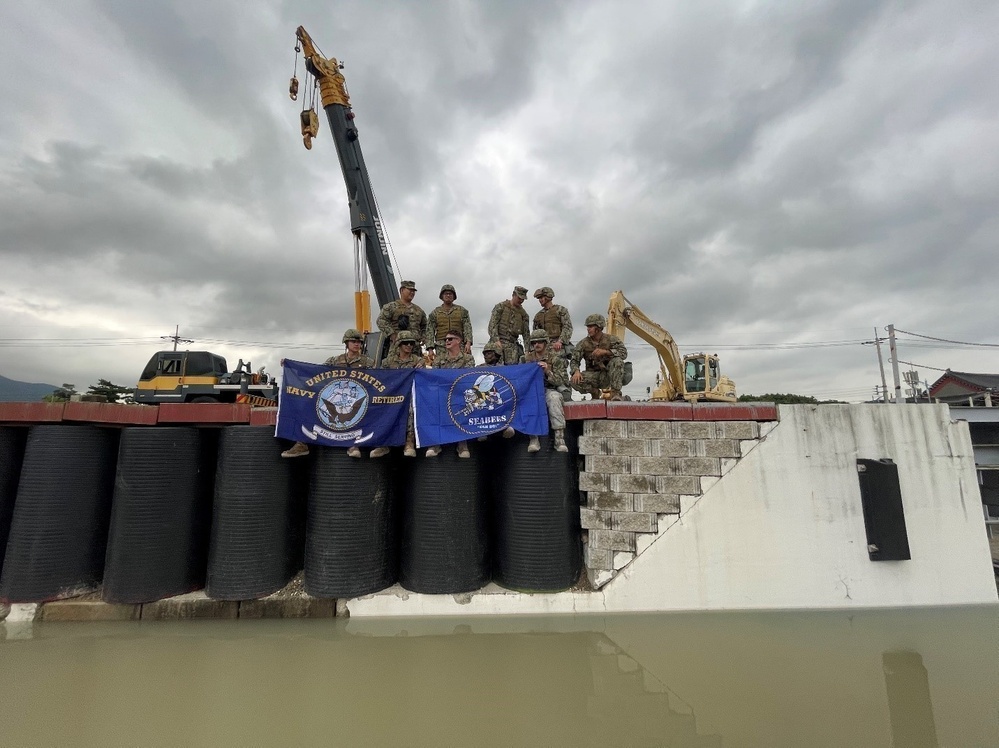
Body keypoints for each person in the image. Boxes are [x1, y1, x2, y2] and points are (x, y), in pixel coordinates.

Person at [281, 328, 374, 459]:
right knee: (309, 411)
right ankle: (302, 444)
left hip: (356, 399)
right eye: (353, 341)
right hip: (336, 399)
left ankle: (354, 445)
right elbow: (315, 372)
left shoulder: (368, 362)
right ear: (346, 343)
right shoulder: (335, 361)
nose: (357, 344)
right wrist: (291, 366)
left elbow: (378, 379)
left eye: (359, 342)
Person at [374, 330, 424, 458]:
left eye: (411, 343)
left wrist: (420, 368)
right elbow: (381, 380)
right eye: (405, 343)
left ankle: (409, 442)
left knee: (411, 409)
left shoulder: (418, 360)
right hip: (393, 395)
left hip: (411, 395)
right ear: (399, 345)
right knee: (383, 409)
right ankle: (383, 443)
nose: (409, 346)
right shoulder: (388, 362)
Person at [426, 330, 475, 458]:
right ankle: (436, 443)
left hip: (460, 393)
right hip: (443, 393)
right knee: (433, 405)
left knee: (463, 405)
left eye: (450, 339)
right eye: (446, 339)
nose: (447, 341)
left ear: (458, 341)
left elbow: (468, 377)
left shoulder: (467, 358)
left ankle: (462, 443)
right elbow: (434, 377)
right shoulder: (439, 359)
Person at [521, 328, 569, 453]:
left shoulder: (555, 358)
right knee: (528, 402)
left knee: (554, 399)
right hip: (531, 391)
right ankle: (533, 438)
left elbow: (561, 381)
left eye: (539, 342)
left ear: (545, 343)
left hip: (549, 389)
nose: (536, 345)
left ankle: (559, 439)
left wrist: (547, 370)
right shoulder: (525, 359)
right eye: (533, 343)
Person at [569, 314, 628, 401]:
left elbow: (623, 353)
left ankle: (616, 393)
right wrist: (576, 371)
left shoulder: (611, 339)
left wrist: (606, 352)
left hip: (609, 375)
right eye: (587, 326)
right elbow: (574, 360)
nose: (588, 329)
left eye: (591, 326)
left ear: (599, 327)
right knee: (574, 380)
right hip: (593, 376)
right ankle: (594, 392)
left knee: (618, 361)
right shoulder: (583, 343)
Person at [376, 280, 428, 357]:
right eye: (410, 290)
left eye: (414, 291)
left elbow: (425, 326)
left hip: (415, 349)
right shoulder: (391, 307)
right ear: (402, 290)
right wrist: (392, 334)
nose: (412, 293)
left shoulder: (418, 310)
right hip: (398, 348)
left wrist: (423, 337)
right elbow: (381, 321)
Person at [427, 284, 473, 358]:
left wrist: (468, 343)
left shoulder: (462, 311)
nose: (448, 295)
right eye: (446, 293)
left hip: (459, 345)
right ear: (442, 296)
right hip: (441, 346)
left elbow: (467, 328)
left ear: (454, 296)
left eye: (450, 294)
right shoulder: (435, 313)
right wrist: (430, 348)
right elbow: (430, 331)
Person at [487, 286, 530, 365]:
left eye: (523, 299)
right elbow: (492, 325)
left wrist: (527, 350)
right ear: (513, 295)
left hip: (512, 347)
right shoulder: (501, 307)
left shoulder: (524, 315)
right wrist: (496, 340)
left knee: (511, 369)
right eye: (519, 298)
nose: (521, 300)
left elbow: (526, 334)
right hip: (497, 344)